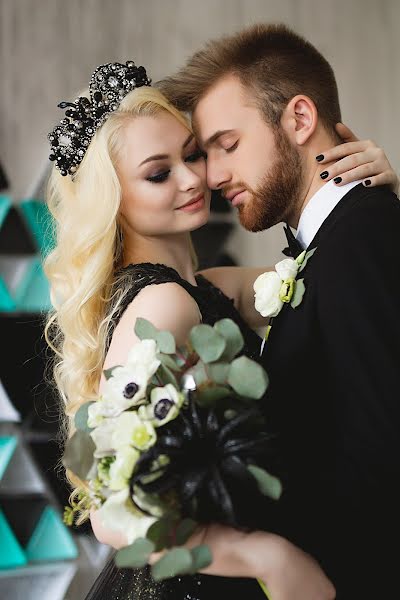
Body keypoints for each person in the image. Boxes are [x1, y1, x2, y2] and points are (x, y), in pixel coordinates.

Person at [43, 60, 396, 600]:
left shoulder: (204, 287)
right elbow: (108, 514)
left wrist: (367, 197)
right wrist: (265, 556)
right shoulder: (162, 305)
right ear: (113, 201)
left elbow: (334, 270)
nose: (193, 180)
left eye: (192, 155)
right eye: (158, 173)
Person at [158, 23, 400, 599]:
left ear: (297, 119)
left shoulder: (362, 237)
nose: (212, 178)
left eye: (227, 145)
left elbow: (383, 467)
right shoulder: (331, 244)